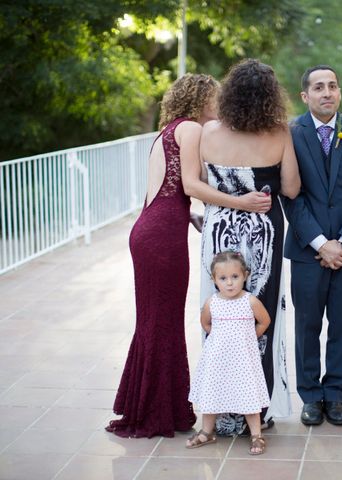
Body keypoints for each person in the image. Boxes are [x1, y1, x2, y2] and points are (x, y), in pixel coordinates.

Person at [107, 74, 219, 438]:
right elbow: (190, 185)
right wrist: (239, 202)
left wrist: (191, 215)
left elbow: (167, 191)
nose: (217, 105)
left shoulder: (169, 129)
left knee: (155, 322)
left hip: (149, 230)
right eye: (215, 99)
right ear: (202, 100)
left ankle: (151, 405)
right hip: (162, 239)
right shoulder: (192, 130)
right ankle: (156, 412)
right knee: (163, 323)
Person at [197, 59, 300, 436]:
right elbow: (289, 189)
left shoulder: (208, 132)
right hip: (264, 238)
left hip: (219, 234)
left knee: (219, 316)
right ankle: (258, 409)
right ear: (271, 98)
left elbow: (197, 184)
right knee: (260, 318)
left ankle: (220, 409)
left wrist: (230, 199)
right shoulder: (280, 133)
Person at [283, 65, 342, 426]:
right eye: (319, 87)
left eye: (333, 86)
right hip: (308, 250)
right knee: (307, 325)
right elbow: (291, 196)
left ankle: (335, 395)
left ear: (340, 93)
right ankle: (310, 396)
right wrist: (322, 244)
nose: (328, 92)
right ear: (305, 96)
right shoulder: (290, 133)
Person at [187, 251, 271, 455]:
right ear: (214, 279)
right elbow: (206, 323)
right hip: (218, 361)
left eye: (235, 277)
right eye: (223, 278)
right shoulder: (212, 302)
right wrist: (220, 340)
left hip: (243, 361)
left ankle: (256, 434)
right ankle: (207, 432)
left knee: (248, 396)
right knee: (212, 394)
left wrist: (249, 338)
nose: (230, 283)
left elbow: (265, 321)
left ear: (245, 275)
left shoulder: (250, 301)